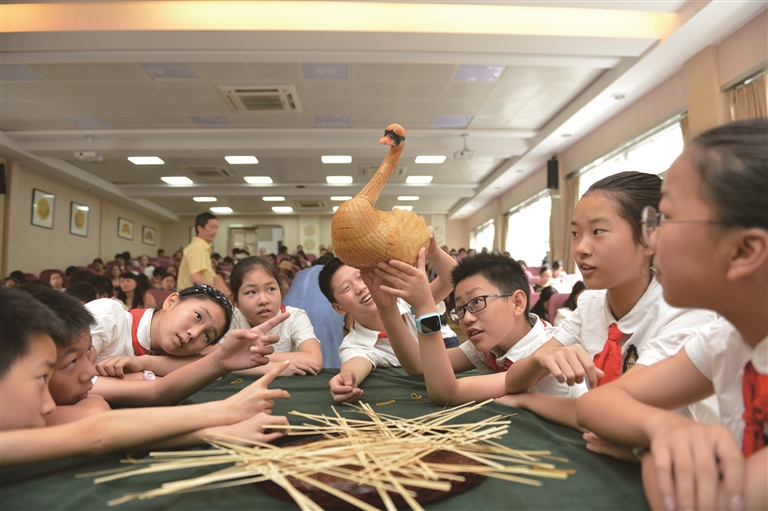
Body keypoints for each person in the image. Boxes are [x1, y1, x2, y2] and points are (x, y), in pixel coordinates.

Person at [576, 119, 767, 511]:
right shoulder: (727, 341)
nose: (651, 238)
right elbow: (594, 405)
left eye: (666, 219)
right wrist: (664, 431)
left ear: (745, 251)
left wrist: (654, 452)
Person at [501, 171, 717, 431]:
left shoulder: (682, 313)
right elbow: (513, 379)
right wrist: (539, 359)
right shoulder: (591, 304)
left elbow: (608, 414)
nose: (581, 248)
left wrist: (529, 400)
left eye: (598, 231)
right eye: (575, 233)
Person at [0, 287, 291, 466]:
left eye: (207, 336)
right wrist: (224, 412)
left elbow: (103, 423)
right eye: (44, 374)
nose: (89, 371)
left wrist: (221, 364)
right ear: (171, 301)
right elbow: (95, 433)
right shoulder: (109, 315)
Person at [372, 250, 569, 406]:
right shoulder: (494, 343)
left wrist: (425, 307)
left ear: (517, 302)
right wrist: (386, 307)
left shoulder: (548, 348)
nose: (466, 319)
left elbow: (446, 392)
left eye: (476, 302)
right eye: (460, 309)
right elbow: (419, 363)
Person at [318, 230, 455, 404]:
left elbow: (451, 277)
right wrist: (346, 377)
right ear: (338, 308)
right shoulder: (356, 344)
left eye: (361, 277)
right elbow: (355, 364)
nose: (359, 288)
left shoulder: (408, 301)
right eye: (346, 288)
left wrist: (433, 251)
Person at [227, 256, 322, 376]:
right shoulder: (230, 319)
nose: (263, 300)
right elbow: (212, 359)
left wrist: (243, 358)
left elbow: (314, 360)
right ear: (235, 300)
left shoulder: (294, 316)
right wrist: (275, 368)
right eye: (251, 292)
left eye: (271, 289)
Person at [177, 212, 230, 295]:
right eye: (212, 227)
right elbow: (195, 277)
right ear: (200, 228)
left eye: (216, 228)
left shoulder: (203, 247)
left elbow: (213, 276)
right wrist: (218, 291)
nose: (215, 231)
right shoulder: (198, 247)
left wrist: (227, 291)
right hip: (191, 298)